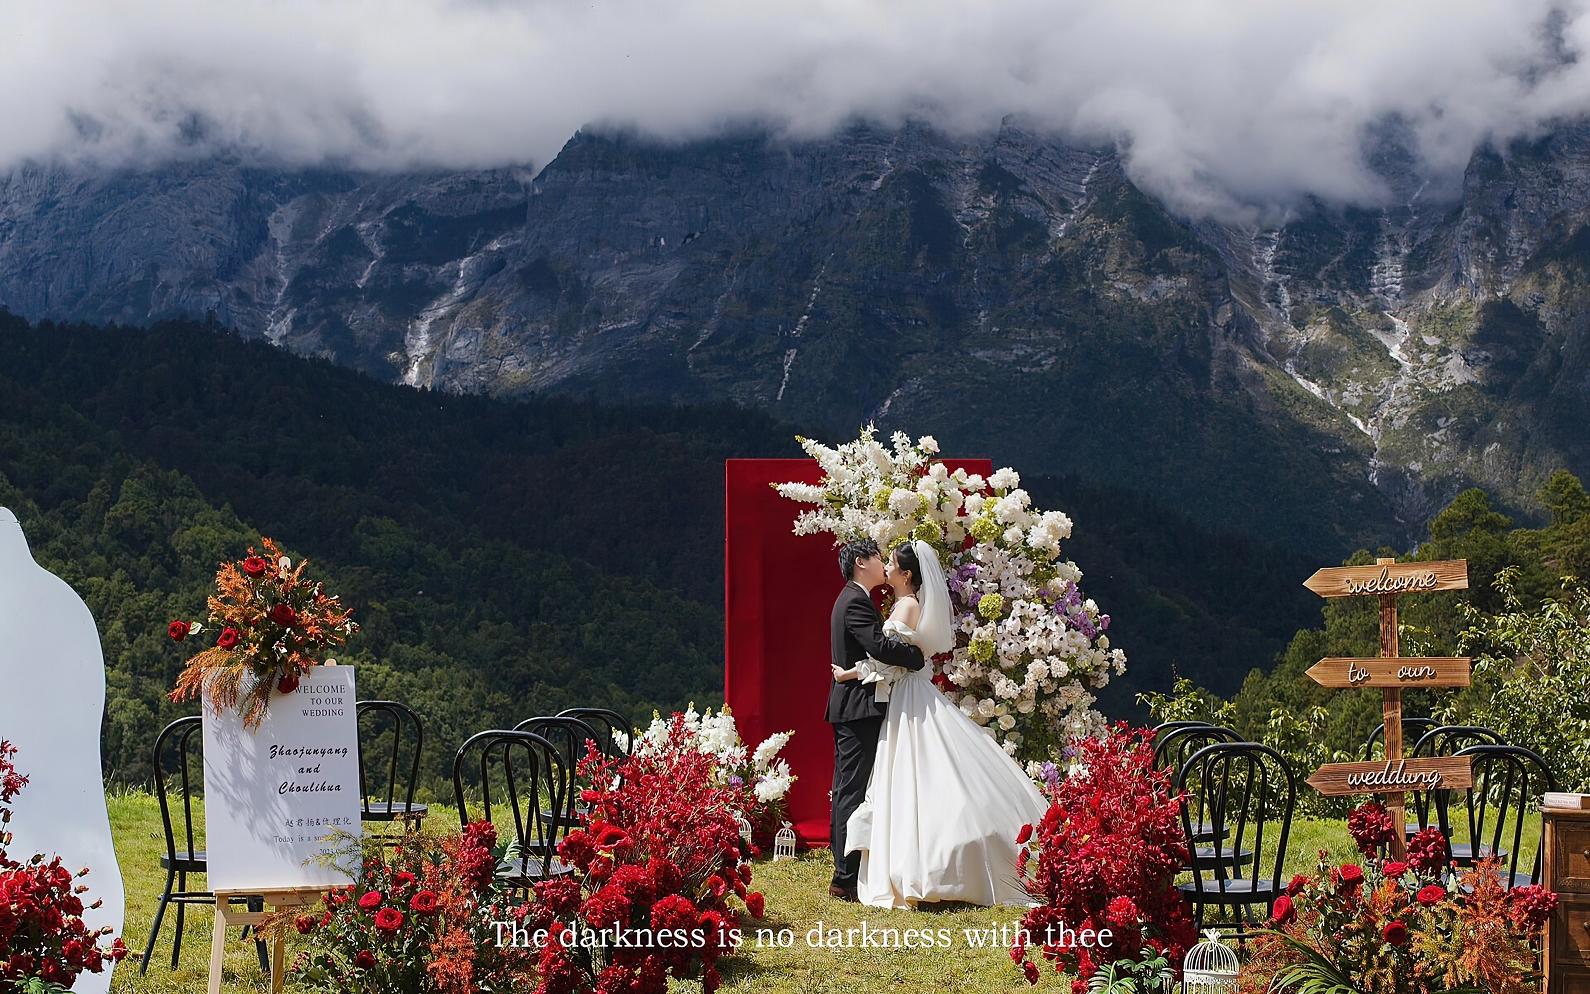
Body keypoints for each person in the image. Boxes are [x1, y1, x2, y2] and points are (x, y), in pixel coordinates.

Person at [835, 539, 1048, 909]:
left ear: (905, 574)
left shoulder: (906, 605)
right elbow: (894, 657)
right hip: (902, 695)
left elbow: (894, 659)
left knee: (918, 774)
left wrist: (851, 673)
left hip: (906, 696)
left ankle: (926, 861)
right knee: (918, 774)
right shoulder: (899, 603)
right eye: (879, 559)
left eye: (891, 563)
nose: (884, 566)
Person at [825, 538, 924, 902]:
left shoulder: (853, 598)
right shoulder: (855, 601)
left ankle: (846, 870)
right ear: (861, 562)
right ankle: (844, 876)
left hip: (856, 703)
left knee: (849, 787)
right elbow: (880, 647)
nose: (883, 563)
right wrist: (916, 657)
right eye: (878, 557)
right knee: (851, 788)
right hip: (858, 707)